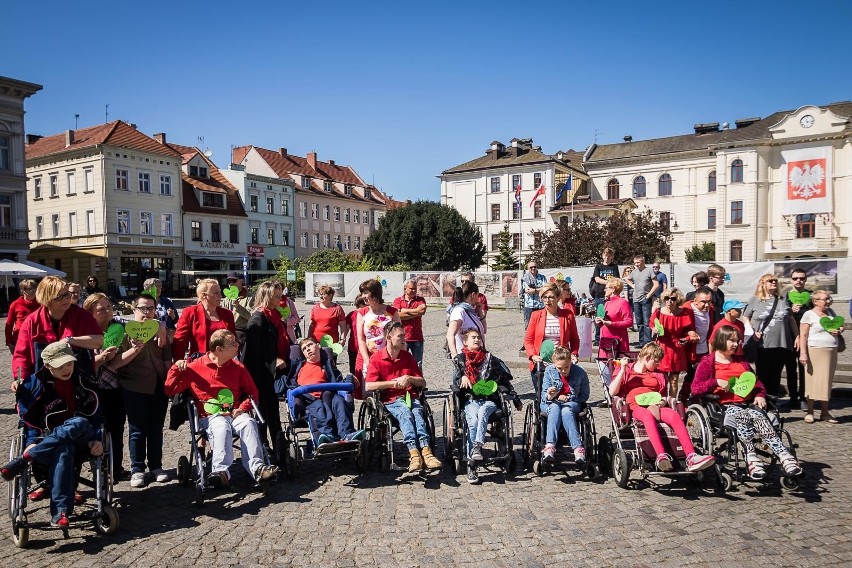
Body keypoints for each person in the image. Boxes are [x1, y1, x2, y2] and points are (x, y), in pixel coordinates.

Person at [1, 341, 103, 528]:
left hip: (83, 437)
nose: (66, 369)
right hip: (51, 440)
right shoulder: (33, 385)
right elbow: (29, 421)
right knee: (64, 449)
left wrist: (97, 439)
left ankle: (28, 457)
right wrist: (31, 441)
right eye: (60, 366)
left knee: (79, 422)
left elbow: (96, 417)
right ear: (47, 366)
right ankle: (60, 512)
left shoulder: (84, 380)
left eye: (69, 363)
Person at [165, 329, 279, 488]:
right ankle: (221, 472)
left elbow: (253, 392)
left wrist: (243, 407)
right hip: (210, 416)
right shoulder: (195, 367)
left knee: (248, 423)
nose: (237, 345)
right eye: (233, 343)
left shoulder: (238, 367)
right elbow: (170, 389)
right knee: (221, 426)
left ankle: (258, 468)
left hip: (235, 412)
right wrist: (176, 368)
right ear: (219, 349)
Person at [691, 325, 802, 479]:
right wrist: (716, 382)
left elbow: (757, 383)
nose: (736, 344)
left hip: (748, 403)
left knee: (758, 416)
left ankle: (784, 456)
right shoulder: (708, 362)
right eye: (732, 341)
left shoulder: (741, 362)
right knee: (743, 415)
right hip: (724, 406)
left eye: (738, 341)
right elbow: (696, 389)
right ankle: (751, 455)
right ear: (722, 340)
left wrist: (760, 394)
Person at [609, 343, 715, 472]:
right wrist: (622, 369)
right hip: (635, 407)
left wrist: (662, 402)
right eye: (656, 362)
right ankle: (661, 455)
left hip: (655, 406)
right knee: (647, 416)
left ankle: (691, 456)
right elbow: (612, 392)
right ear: (647, 357)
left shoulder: (658, 374)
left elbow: (664, 396)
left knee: (674, 415)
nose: (658, 365)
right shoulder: (627, 370)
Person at [108, 294, 171, 488]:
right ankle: (137, 469)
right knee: (137, 430)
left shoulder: (159, 329)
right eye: (143, 308)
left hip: (158, 386)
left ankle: (156, 466)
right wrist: (134, 349)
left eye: (151, 308)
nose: (147, 312)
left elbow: (167, 357)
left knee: (156, 429)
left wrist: (170, 382)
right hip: (134, 386)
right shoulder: (125, 332)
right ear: (134, 310)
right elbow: (115, 364)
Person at [366, 321, 442, 473]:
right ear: (389, 337)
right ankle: (414, 453)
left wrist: (409, 378)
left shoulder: (407, 357)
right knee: (406, 414)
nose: (404, 339)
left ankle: (426, 452)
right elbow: (369, 386)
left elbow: (422, 382)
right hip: (391, 400)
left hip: (410, 396)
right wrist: (392, 383)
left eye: (404, 336)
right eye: (400, 336)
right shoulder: (377, 358)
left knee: (418, 414)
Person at [451, 328, 521, 484]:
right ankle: (472, 464)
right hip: (471, 400)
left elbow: (505, 380)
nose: (477, 340)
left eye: (478, 338)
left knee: (483, 411)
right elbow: (455, 384)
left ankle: (477, 447)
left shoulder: (491, 359)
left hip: (490, 400)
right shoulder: (460, 360)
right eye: (473, 338)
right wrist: (461, 378)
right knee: (473, 423)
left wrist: (515, 398)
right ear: (465, 342)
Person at [12, 276, 104, 382]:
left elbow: (99, 341)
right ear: (47, 299)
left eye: (66, 294)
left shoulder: (82, 315)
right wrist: (19, 378)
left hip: (78, 382)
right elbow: (21, 355)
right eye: (58, 297)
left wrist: (70, 340)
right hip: (44, 383)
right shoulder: (32, 321)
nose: (65, 299)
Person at [82, 293, 127, 483]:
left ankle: (116, 468)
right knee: (95, 431)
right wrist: (101, 359)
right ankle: (99, 469)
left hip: (116, 387)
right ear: (90, 312)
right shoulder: (84, 333)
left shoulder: (119, 327)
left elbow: (146, 322)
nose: (107, 311)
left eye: (109, 306)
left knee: (116, 429)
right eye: (101, 309)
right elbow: (81, 364)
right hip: (91, 390)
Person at [241, 280, 289, 451]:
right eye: (276, 296)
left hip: (270, 374)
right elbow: (252, 353)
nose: (279, 299)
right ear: (266, 296)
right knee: (265, 412)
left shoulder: (273, 316)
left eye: (280, 296)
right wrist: (274, 360)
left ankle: (275, 445)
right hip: (259, 375)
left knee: (271, 411)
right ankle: (265, 446)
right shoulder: (258, 319)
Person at [291, 337, 365, 444]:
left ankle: (346, 434)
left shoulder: (327, 366)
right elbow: (290, 384)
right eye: (304, 349)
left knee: (339, 401)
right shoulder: (300, 367)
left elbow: (339, 382)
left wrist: (349, 377)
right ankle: (326, 435)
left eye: (310, 345)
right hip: (309, 399)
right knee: (320, 407)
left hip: (328, 396)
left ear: (318, 346)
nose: (307, 349)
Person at [742, 274, 799, 396]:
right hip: (763, 343)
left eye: (775, 281)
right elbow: (746, 316)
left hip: (781, 343)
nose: (774, 282)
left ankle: (773, 402)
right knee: (762, 374)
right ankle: (762, 401)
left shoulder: (782, 299)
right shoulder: (755, 299)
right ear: (762, 283)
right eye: (770, 281)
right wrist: (751, 332)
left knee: (776, 374)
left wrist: (797, 336)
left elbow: (791, 319)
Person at [540, 346, 590, 464]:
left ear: (571, 362)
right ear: (554, 364)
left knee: (566, 410)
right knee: (555, 408)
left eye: (566, 367)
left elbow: (584, 396)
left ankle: (578, 448)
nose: (563, 371)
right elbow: (543, 396)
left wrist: (568, 398)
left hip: (572, 403)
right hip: (551, 403)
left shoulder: (580, 372)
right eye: (559, 368)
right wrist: (551, 396)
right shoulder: (549, 371)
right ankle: (550, 446)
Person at [799, 290, 841, 424]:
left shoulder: (831, 313)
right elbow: (803, 335)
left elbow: (838, 326)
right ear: (815, 301)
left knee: (827, 381)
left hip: (830, 351)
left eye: (829, 298)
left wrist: (839, 330)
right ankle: (810, 411)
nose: (828, 301)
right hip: (814, 350)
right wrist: (803, 353)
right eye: (825, 299)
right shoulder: (808, 314)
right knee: (812, 380)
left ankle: (825, 412)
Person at [524, 282, 580, 379]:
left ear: (558, 298)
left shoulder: (567, 315)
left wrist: (573, 354)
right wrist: (533, 355)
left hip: (562, 365)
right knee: (543, 394)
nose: (547, 300)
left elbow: (574, 339)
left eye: (551, 297)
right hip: (541, 364)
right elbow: (528, 340)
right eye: (544, 297)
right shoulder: (536, 315)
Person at [172, 278, 236, 361]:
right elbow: (180, 341)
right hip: (200, 363)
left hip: (225, 363)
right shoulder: (190, 313)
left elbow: (233, 340)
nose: (220, 296)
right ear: (204, 296)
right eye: (216, 293)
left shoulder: (227, 314)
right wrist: (179, 361)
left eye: (220, 292)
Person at [355, 279, 400, 396]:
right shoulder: (362, 313)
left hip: (388, 357)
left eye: (366, 293)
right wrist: (367, 360)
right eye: (362, 293)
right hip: (370, 357)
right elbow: (361, 339)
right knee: (368, 392)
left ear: (375, 293)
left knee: (390, 391)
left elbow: (399, 336)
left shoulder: (391, 312)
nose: (363, 296)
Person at [650, 288, 696, 397]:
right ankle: (661, 401)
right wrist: (654, 329)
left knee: (674, 379)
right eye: (667, 298)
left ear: (677, 300)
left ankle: (672, 402)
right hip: (662, 346)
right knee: (662, 378)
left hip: (676, 348)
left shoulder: (684, 313)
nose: (669, 301)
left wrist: (689, 337)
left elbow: (689, 330)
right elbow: (652, 324)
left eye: (673, 299)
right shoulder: (658, 312)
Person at [785, 268, 813, 412]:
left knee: (804, 368)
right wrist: (790, 309)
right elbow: (782, 315)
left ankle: (803, 397)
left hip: (805, 337)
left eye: (801, 278)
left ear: (805, 279)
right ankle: (793, 397)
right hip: (789, 337)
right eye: (795, 278)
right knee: (790, 368)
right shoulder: (786, 297)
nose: (798, 281)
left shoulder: (811, 296)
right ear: (791, 280)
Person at [680, 288, 715, 402]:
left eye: (709, 301)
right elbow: (678, 328)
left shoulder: (711, 310)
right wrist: (688, 333)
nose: (706, 305)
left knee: (704, 374)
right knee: (691, 375)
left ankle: (699, 398)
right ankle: (683, 398)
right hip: (690, 350)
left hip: (704, 348)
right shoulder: (686, 310)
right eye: (703, 302)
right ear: (695, 301)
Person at [625, 255, 659, 347]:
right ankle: (641, 342)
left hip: (645, 299)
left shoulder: (649, 271)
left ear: (643, 262)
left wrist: (649, 295)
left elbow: (656, 284)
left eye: (638, 262)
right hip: (636, 299)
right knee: (639, 322)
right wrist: (633, 286)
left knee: (646, 321)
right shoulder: (634, 272)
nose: (636, 264)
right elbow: (626, 279)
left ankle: (647, 342)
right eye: (635, 263)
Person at [393, 279, 427, 368]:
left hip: (417, 337)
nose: (414, 291)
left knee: (418, 364)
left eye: (415, 289)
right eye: (411, 288)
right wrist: (416, 312)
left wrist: (404, 311)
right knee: (401, 363)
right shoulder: (398, 300)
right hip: (402, 337)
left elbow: (422, 311)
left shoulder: (420, 300)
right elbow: (398, 316)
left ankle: (417, 381)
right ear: (405, 288)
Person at [447, 281, 486, 358]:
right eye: (477, 296)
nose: (478, 299)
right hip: (464, 357)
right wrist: (455, 355)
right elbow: (450, 334)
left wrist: (481, 312)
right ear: (473, 295)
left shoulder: (471, 311)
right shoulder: (459, 311)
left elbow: (484, 330)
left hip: (476, 356)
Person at [596, 278, 633, 360]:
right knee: (604, 369)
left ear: (613, 289)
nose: (604, 290)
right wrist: (599, 322)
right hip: (604, 342)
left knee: (616, 370)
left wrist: (611, 324)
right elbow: (603, 321)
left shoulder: (622, 302)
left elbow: (629, 322)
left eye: (606, 288)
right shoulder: (606, 303)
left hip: (617, 343)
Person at [590, 247, 619, 344]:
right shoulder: (598, 266)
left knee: (610, 316)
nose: (607, 258)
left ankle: (610, 336)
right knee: (599, 316)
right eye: (605, 256)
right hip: (599, 295)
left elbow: (616, 280)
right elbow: (597, 279)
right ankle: (598, 338)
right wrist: (608, 283)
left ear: (612, 257)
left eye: (609, 256)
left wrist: (610, 284)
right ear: (603, 256)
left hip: (610, 296)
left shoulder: (614, 267)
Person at [221, 271, 253, 349]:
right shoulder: (226, 299)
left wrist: (238, 307)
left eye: (234, 281)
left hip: (242, 333)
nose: (231, 283)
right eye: (229, 281)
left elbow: (251, 317)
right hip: (227, 332)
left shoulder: (250, 297)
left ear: (241, 281)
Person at [5, 279, 38, 354]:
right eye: (30, 289)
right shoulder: (15, 304)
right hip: (19, 338)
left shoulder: (40, 304)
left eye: (35, 288)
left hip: (36, 338)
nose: (33, 291)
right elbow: (9, 324)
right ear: (23, 291)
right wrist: (9, 342)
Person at [520, 260, 546, 348]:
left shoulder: (542, 277)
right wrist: (539, 289)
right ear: (528, 268)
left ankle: (540, 343)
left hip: (540, 305)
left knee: (541, 325)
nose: (533, 268)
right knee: (528, 325)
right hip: (529, 305)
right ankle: (526, 344)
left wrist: (534, 290)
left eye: (534, 266)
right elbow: (527, 290)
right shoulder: (525, 278)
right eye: (531, 267)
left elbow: (545, 288)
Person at [346, 295, 366, 375]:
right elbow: (346, 329)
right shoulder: (352, 314)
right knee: (353, 369)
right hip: (353, 346)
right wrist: (342, 339)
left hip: (366, 346)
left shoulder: (370, 313)